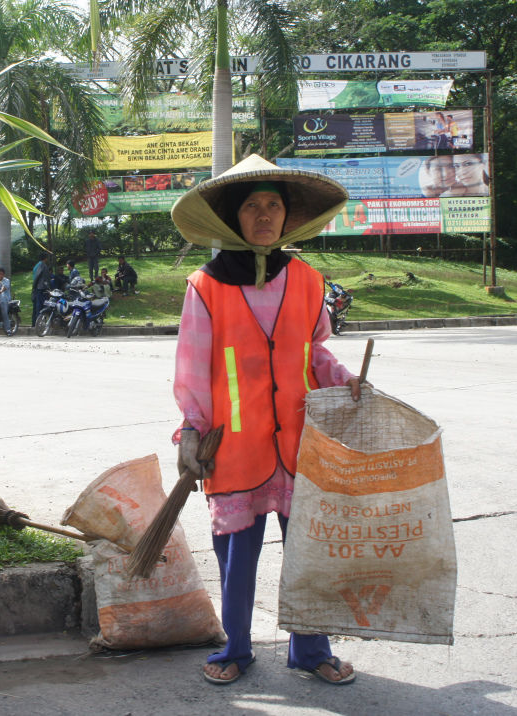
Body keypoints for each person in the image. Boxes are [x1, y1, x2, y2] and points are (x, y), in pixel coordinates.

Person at [169, 154, 361, 687]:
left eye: (273, 205)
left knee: (308, 552)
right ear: (234, 217)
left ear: (286, 216)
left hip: (299, 443)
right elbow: (193, 368)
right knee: (237, 557)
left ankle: (312, 650)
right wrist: (192, 430)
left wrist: (343, 377)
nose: (264, 215)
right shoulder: (205, 286)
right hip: (234, 447)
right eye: (252, 205)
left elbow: (314, 351)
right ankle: (235, 647)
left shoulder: (307, 280)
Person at [30, 253, 51, 324]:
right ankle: (38, 323)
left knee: (37, 307)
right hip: (40, 289)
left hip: (38, 288)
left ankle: (35, 323)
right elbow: (37, 277)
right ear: (45, 258)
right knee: (40, 307)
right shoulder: (42, 265)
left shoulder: (37, 265)